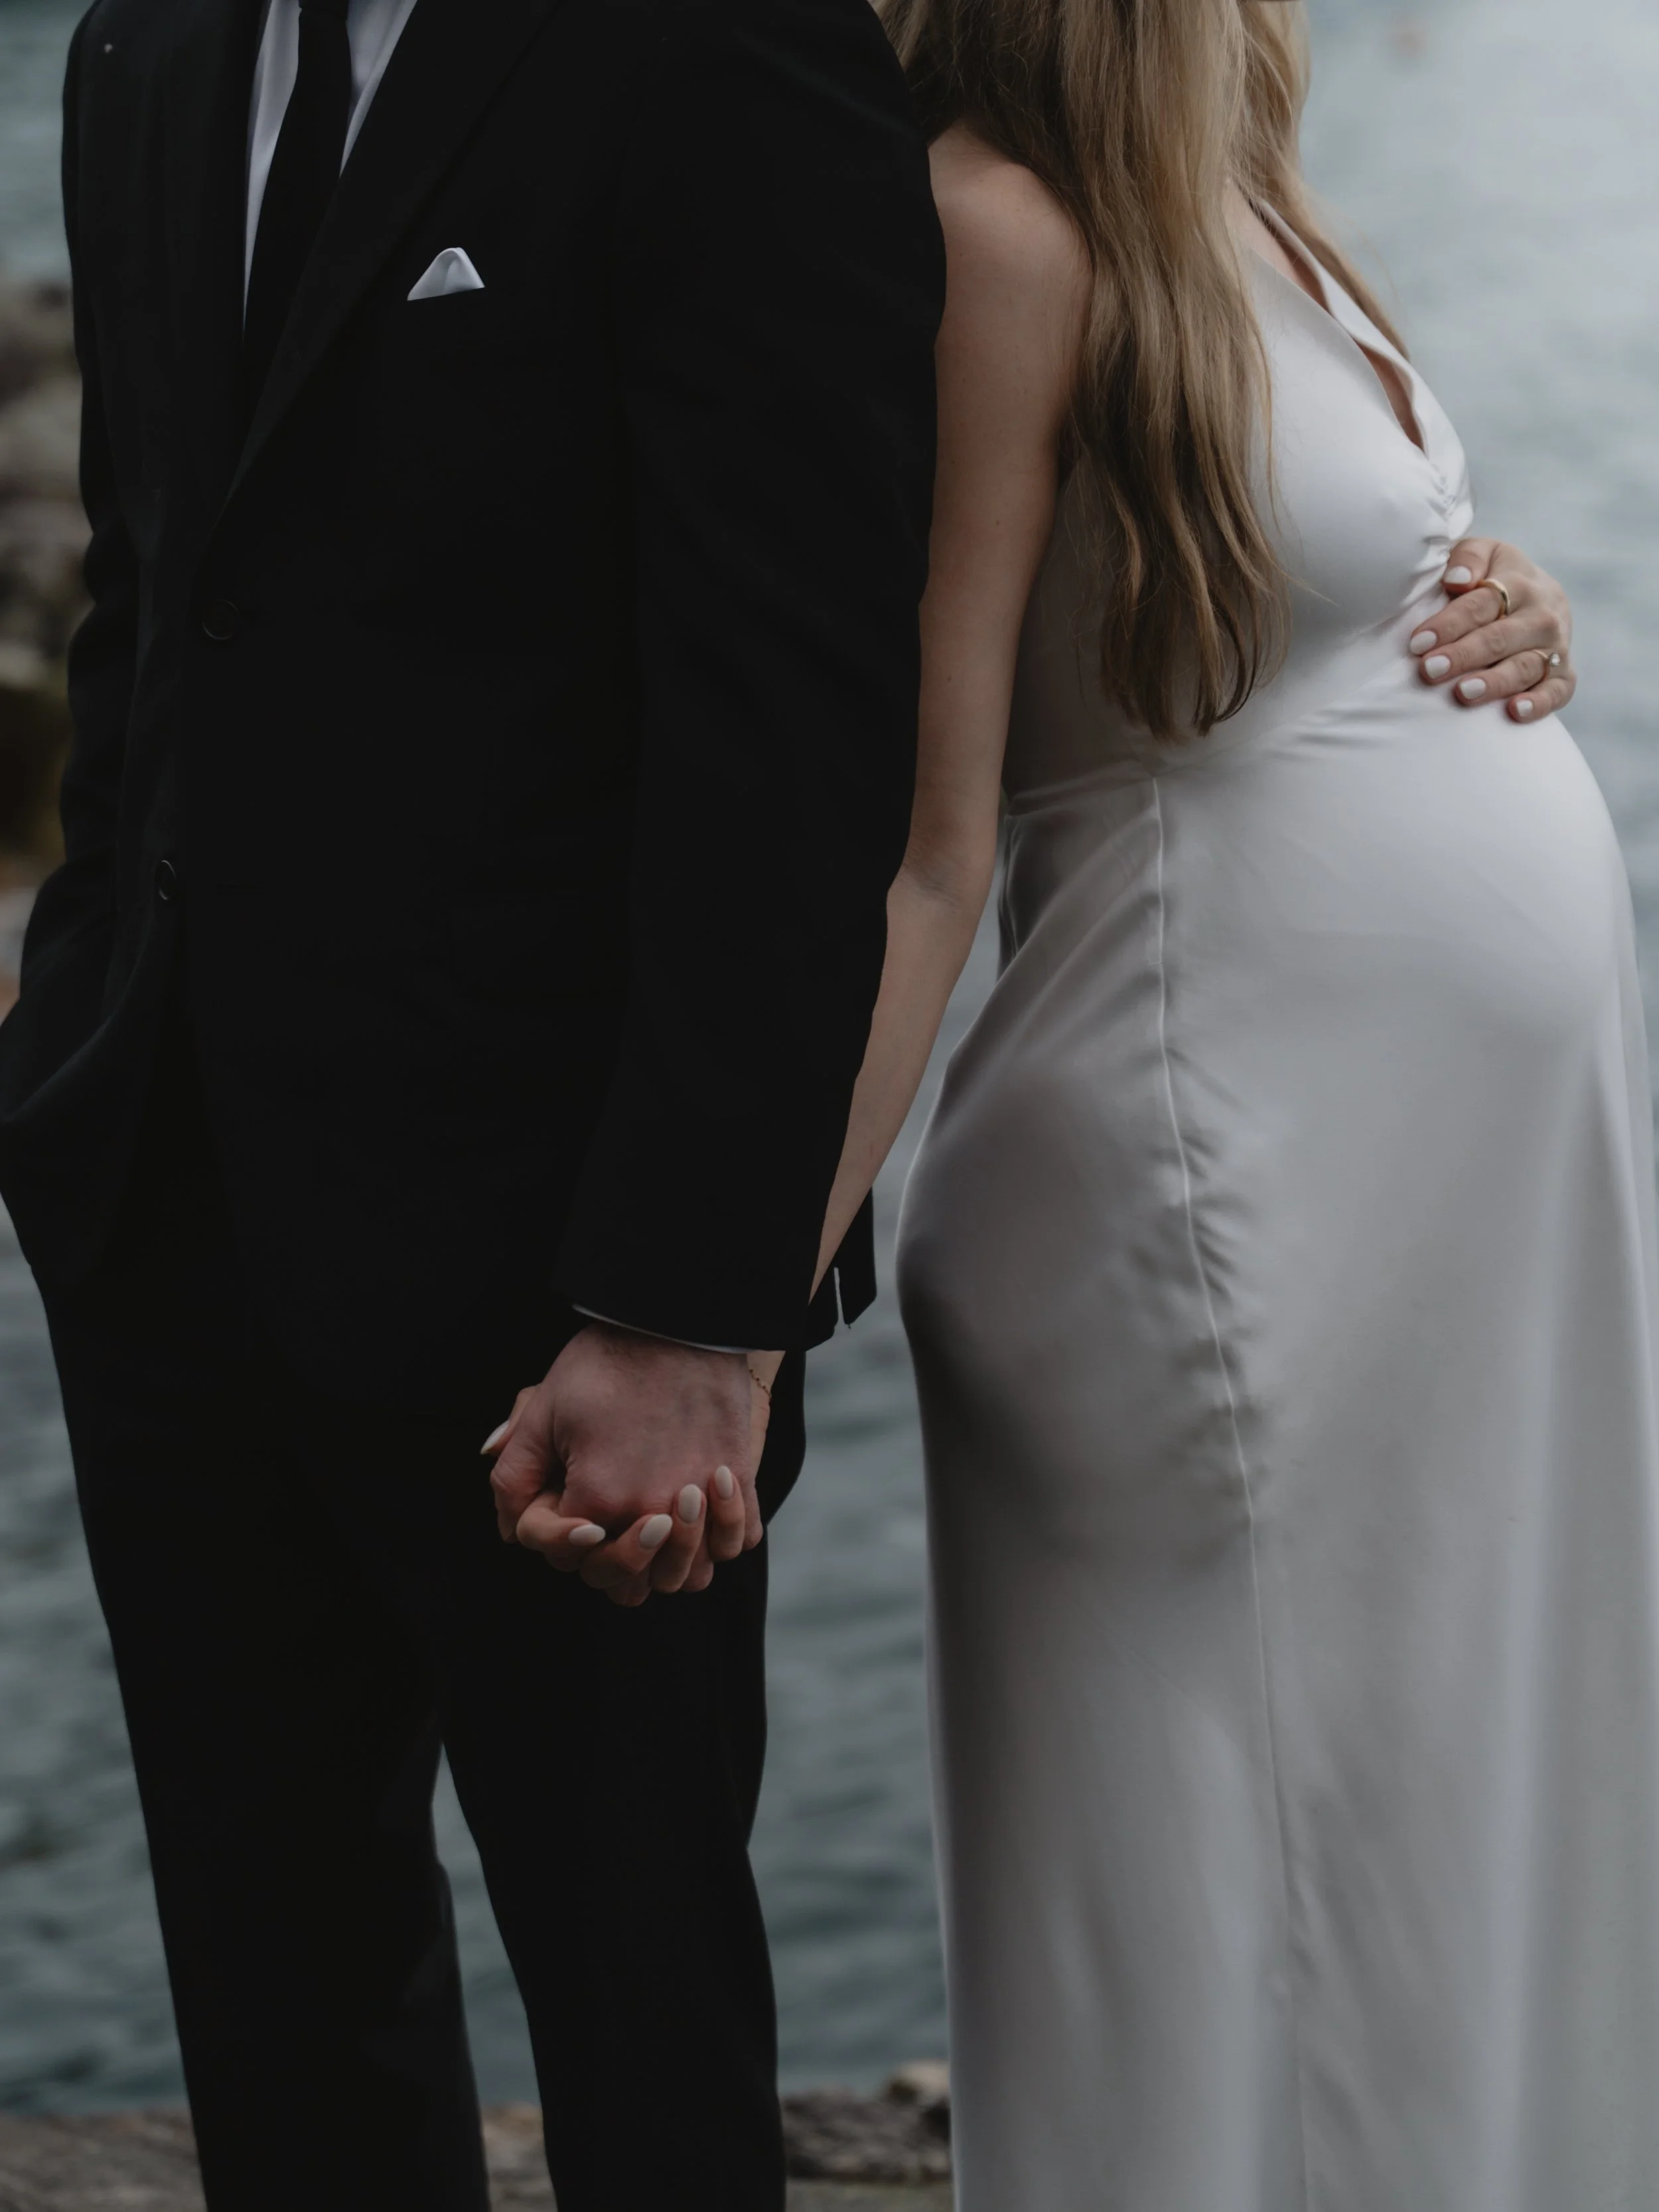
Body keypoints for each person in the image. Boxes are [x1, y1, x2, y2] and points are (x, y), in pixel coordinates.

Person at [0, 0, 942, 2205]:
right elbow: (155, 602)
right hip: (171, 1209)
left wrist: (693, 1303)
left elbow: (795, 720)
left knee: (643, 2041)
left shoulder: (722, 46)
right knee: (282, 2015)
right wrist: (67, 1064)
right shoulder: (143, 53)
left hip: (575, 1282)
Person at [749, 0, 1654, 2204]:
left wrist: (1506, 592)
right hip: (1210, 1179)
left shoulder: (1242, 202)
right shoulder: (999, 231)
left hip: (1429, 1213)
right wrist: (724, 1303)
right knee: (1243, 1869)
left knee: (1439, 1803)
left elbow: (1308, 582)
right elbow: (933, 830)